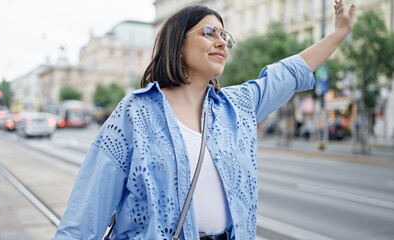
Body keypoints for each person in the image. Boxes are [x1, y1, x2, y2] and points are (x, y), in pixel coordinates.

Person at [53, 1, 355, 239]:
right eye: (209, 33)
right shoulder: (135, 112)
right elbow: (84, 219)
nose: (222, 43)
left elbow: (286, 74)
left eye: (225, 36)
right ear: (177, 43)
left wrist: (339, 33)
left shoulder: (236, 107)